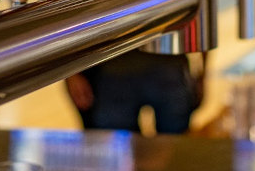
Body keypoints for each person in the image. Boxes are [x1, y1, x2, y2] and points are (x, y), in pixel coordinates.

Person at [66, 51, 205, 135]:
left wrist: (204, 72)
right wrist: (71, 73)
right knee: (117, 159)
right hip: (112, 72)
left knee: (177, 150)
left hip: (169, 67)